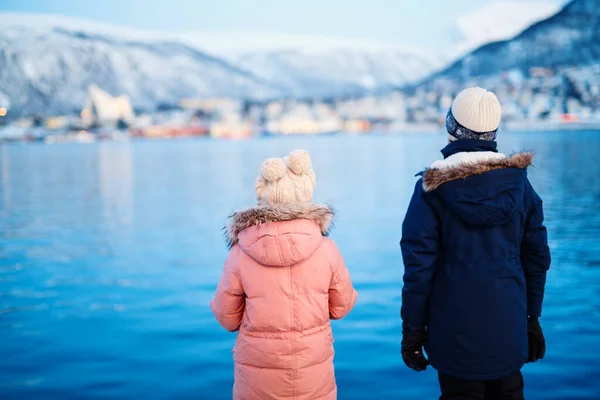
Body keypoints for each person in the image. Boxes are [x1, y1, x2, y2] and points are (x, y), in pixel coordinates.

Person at [400, 87, 551, 400]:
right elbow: (536, 258)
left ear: (452, 128)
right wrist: (532, 318)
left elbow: (418, 268)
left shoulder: (431, 190)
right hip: (508, 331)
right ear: (492, 133)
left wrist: (413, 329)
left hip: (453, 338)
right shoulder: (520, 185)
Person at [211, 149, 358, 400]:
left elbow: (227, 318)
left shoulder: (240, 252)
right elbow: (341, 308)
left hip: (257, 382)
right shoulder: (327, 250)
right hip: (313, 377)